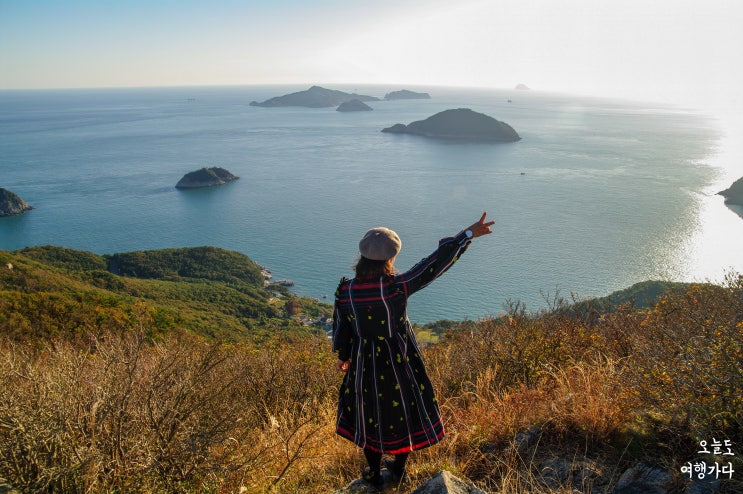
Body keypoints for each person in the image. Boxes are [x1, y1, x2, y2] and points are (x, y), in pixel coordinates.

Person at [332, 212, 495, 489]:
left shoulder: (346, 291)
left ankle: (373, 474)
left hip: (363, 363)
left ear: (362, 258)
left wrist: (345, 357)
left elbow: (342, 329)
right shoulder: (397, 287)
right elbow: (432, 265)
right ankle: (397, 470)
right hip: (398, 361)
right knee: (402, 412)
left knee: (368, 413)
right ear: (389, 259)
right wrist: (466, 236)